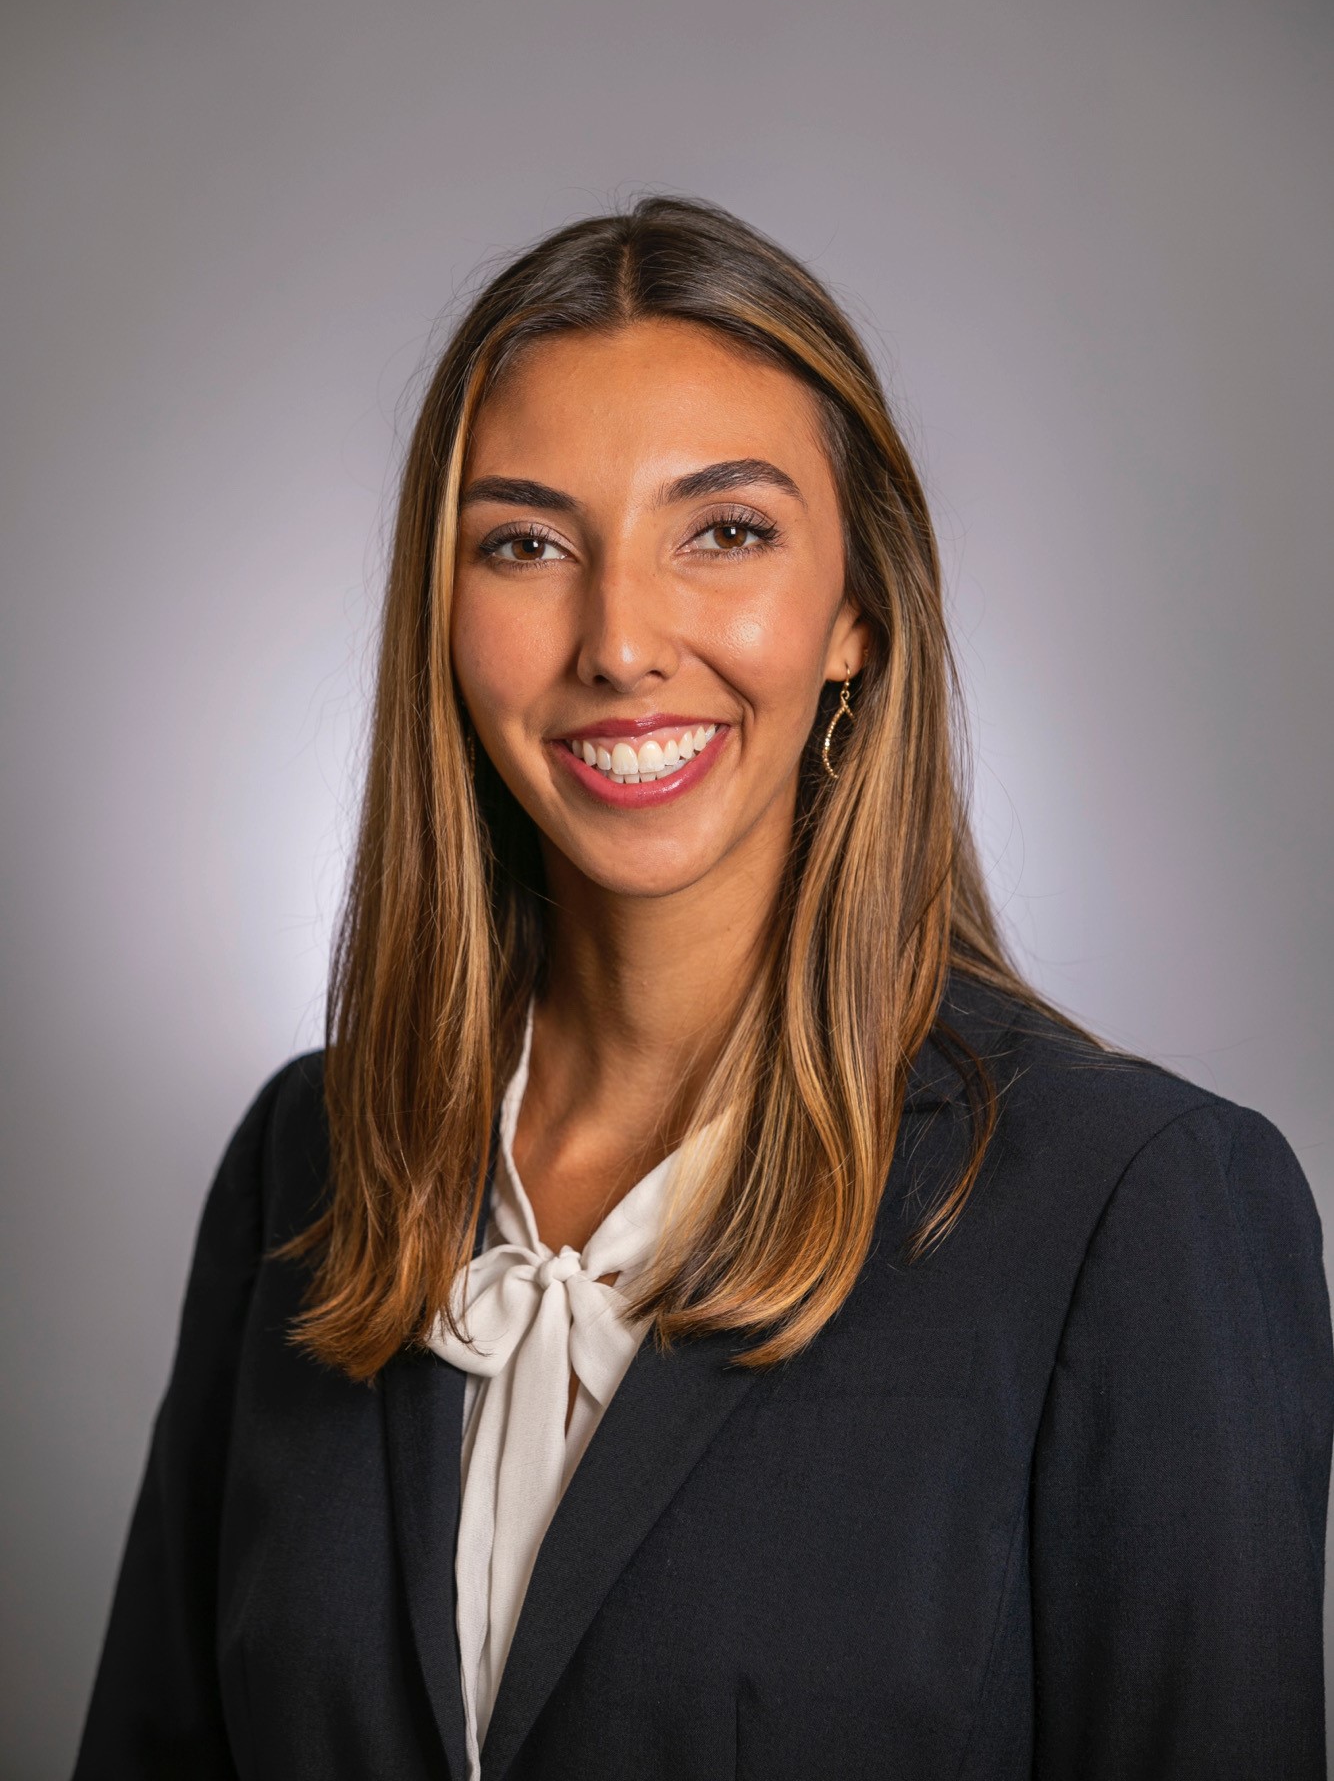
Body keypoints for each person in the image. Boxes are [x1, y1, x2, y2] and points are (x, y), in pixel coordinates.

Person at [73, 196, 1332, 1780]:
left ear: (856, 614)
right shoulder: (309, 1154)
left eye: (722, 531)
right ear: (442, 620)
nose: (617, 639)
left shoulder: (1136, 1207)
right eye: (524, 544)